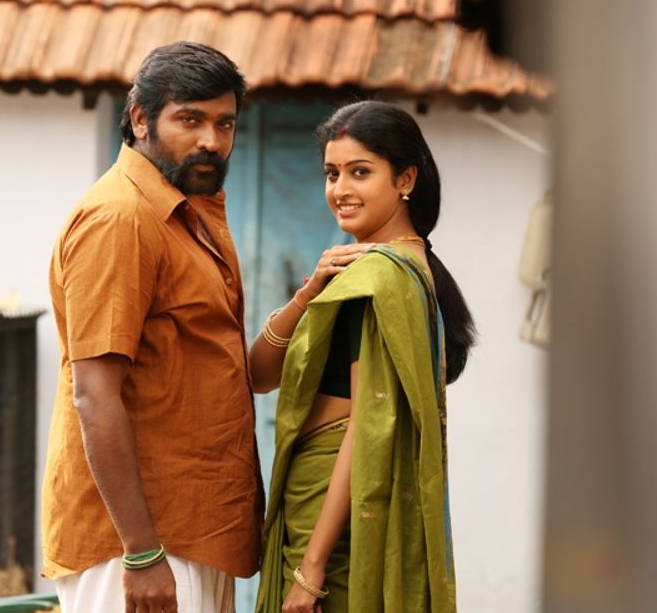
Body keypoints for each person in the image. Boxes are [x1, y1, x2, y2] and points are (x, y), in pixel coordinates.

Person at [41, 41, 263, 613]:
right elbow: (94, 395)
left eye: (225, 123)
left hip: (190, 530)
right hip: (139, 545)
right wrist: (141, 552)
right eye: (190, 120)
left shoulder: (183, 214)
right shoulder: (121, 218)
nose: (211, 140)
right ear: (141, 119)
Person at [252, 101, 476, 612]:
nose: (340, 190)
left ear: (405, 179)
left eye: (360, 172)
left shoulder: (378, 278)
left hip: (331, 517)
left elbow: (366, 426)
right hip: (329, 505)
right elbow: (258, 374)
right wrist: (306, 295)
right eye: (332, 174)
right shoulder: (399, 269)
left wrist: (311, 568)